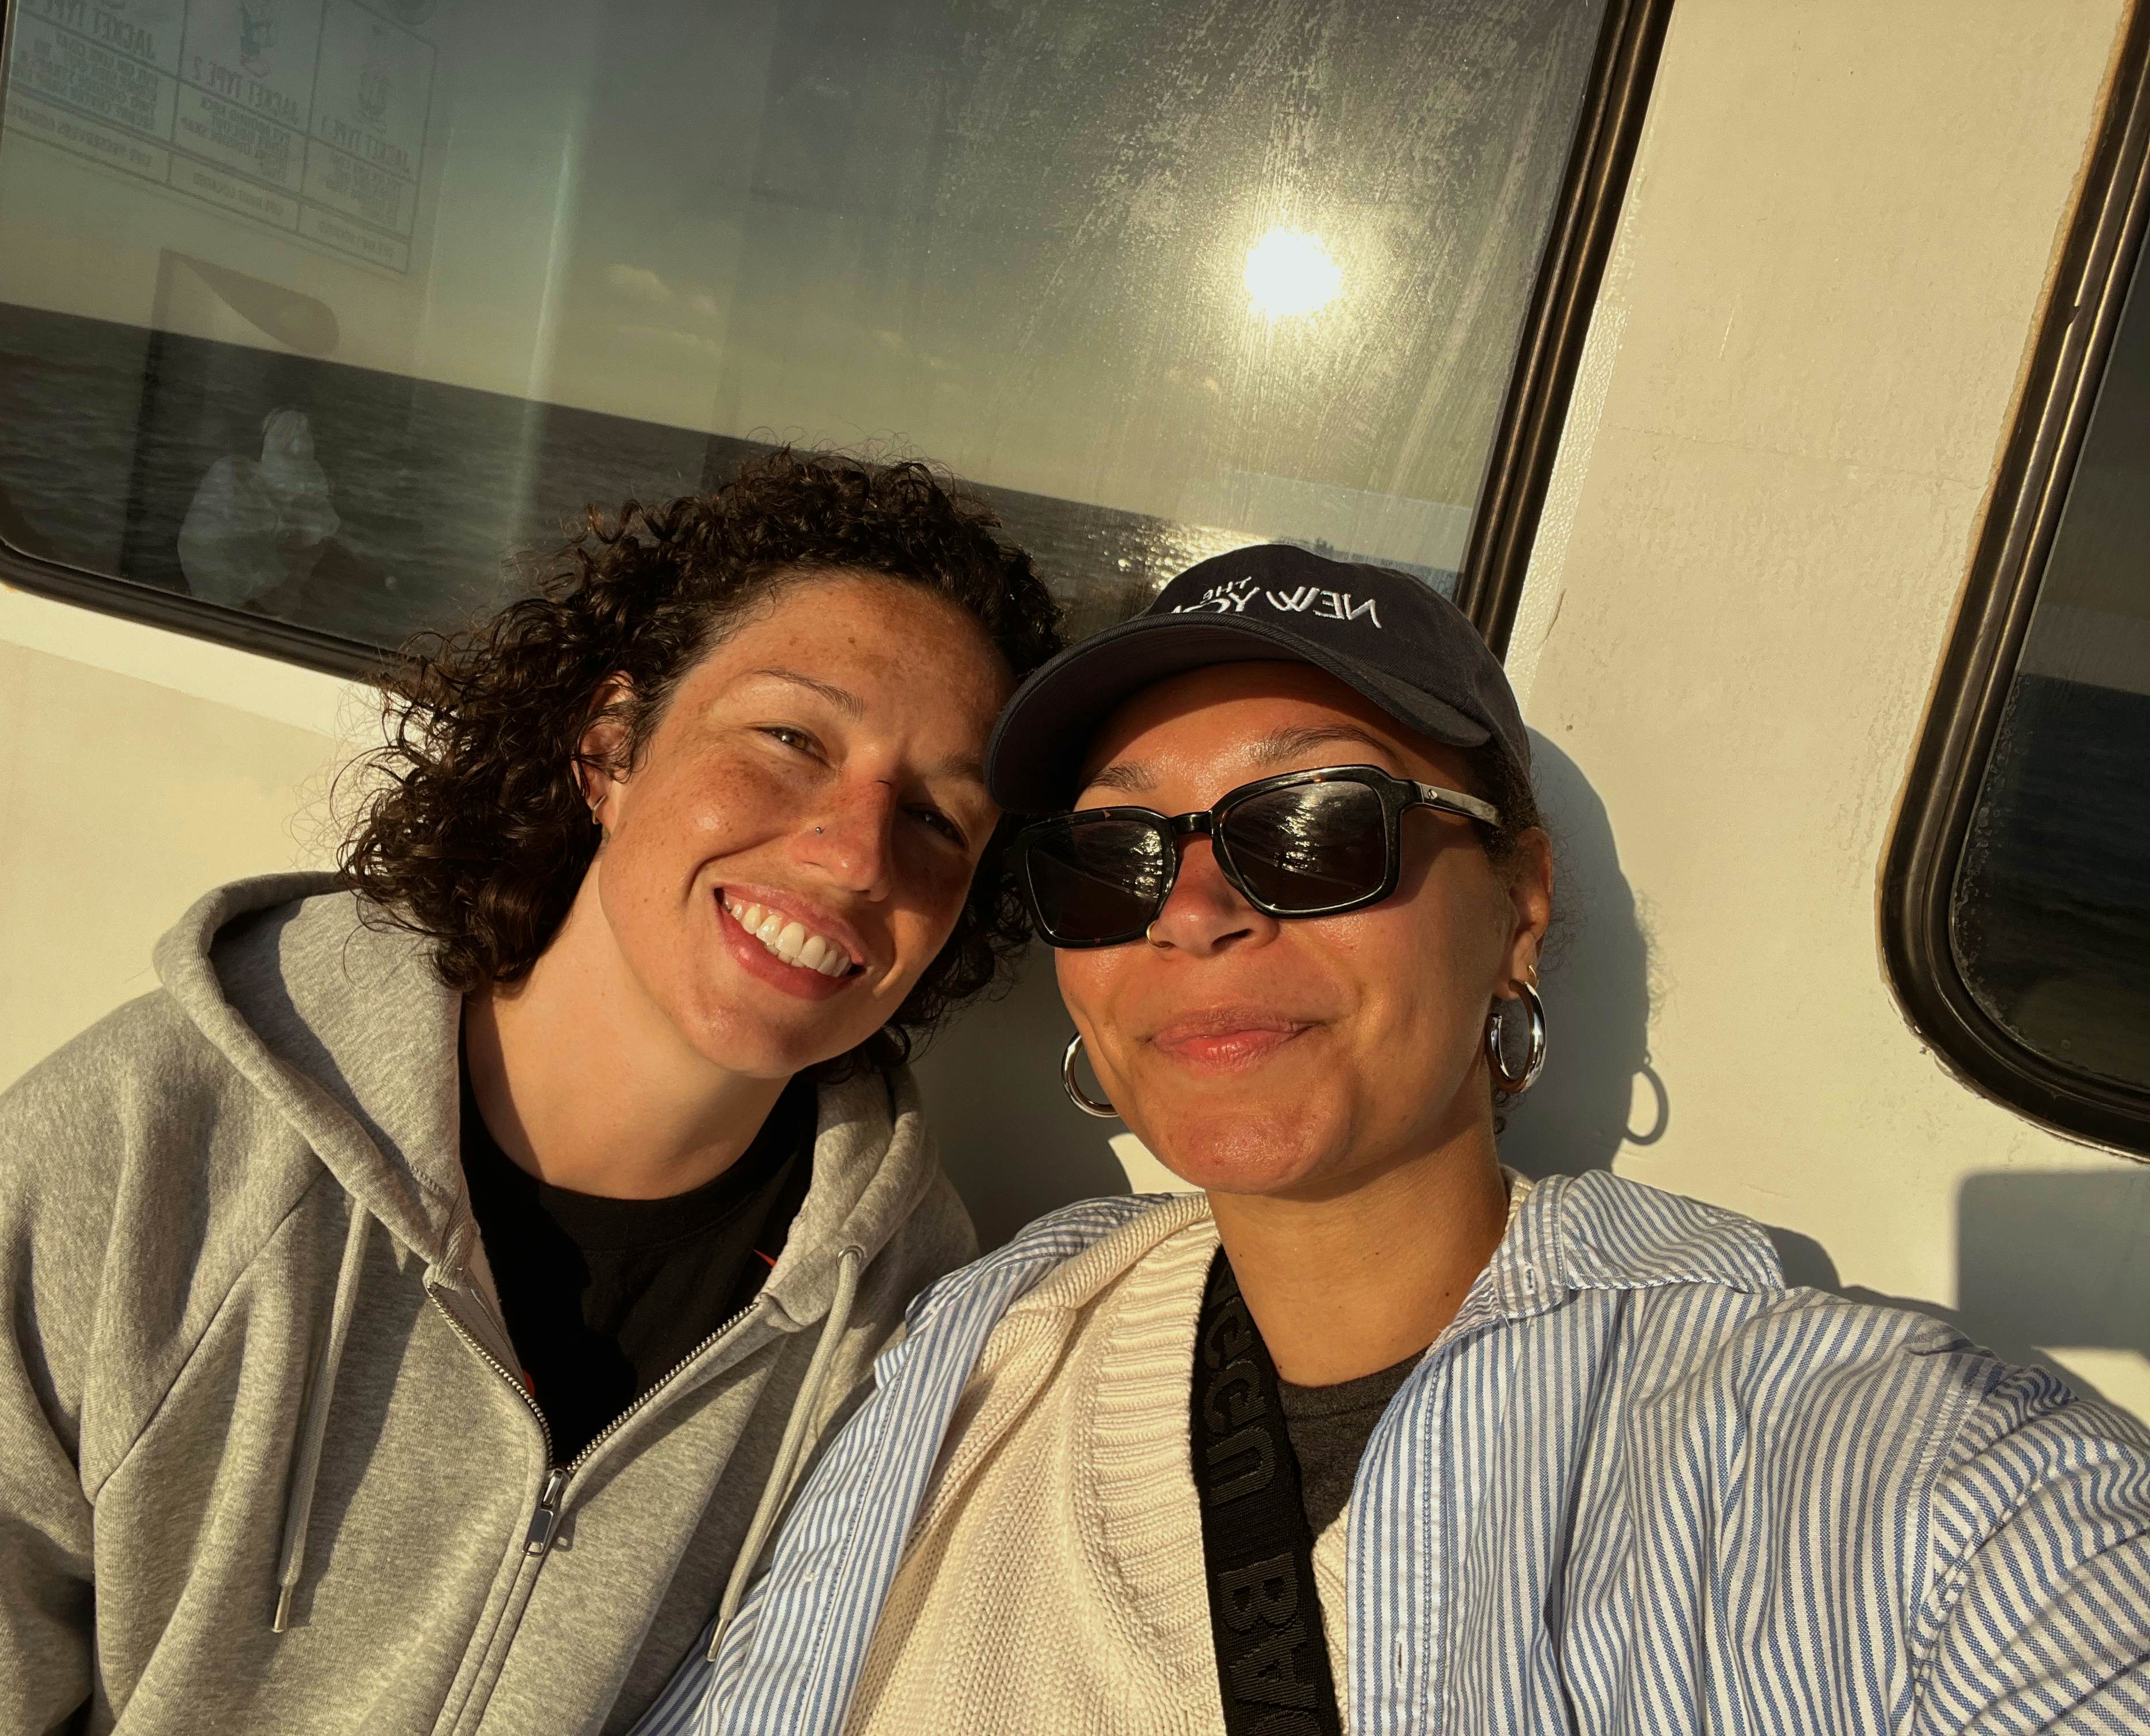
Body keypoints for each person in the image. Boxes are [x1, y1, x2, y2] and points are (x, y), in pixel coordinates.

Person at [637, 544, 2150, 1735]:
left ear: (1519, 907)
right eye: (1113, 856)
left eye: (1313, 829)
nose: (1194, 913)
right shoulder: (984, 1335)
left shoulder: (1885, 1478)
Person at [0, 452, 1063, 1733]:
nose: (858, 854)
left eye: (938, 820)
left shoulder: (906, 1323)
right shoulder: (148, 1158)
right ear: (610, 746)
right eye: (791, 740)